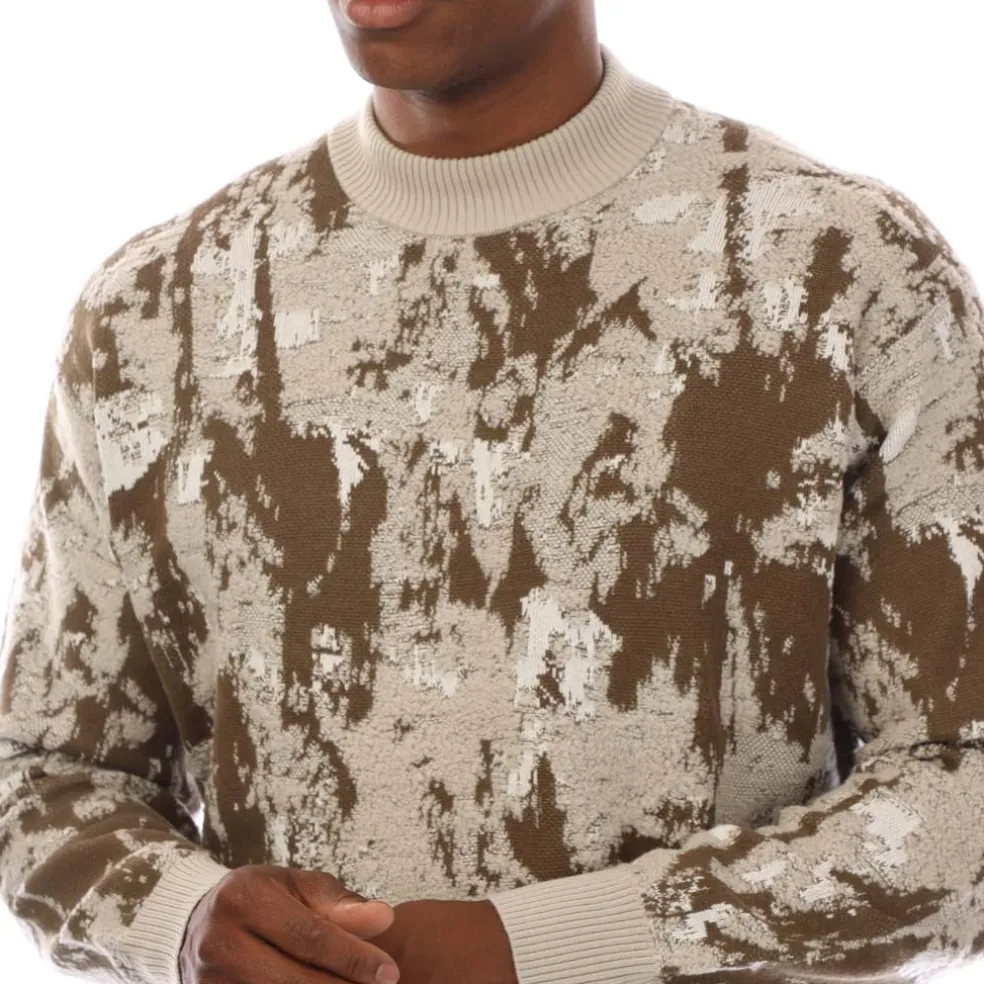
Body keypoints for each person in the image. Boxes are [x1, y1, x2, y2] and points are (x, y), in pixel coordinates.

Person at [2, 0, 983, 982]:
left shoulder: (847, 273)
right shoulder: (153, 316)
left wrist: (551, 950)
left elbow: (965, 784)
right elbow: (43, 776)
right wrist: (181, 920)